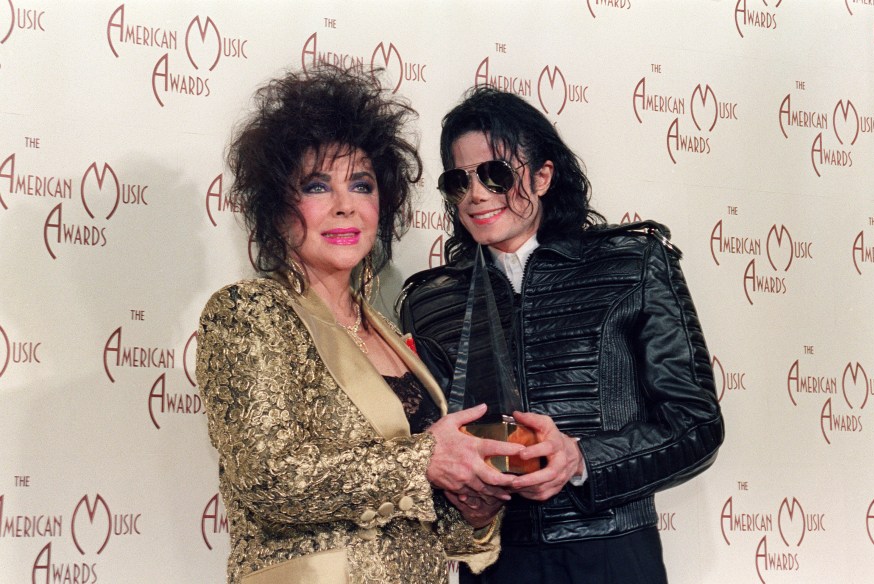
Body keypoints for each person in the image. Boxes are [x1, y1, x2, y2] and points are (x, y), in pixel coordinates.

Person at [195, 67, 524, 584]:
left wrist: (475, 507)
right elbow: (269, 479)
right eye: (317, 185)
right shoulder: (249, 312)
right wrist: (427, 460)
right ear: (277, 207)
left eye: (362, 185)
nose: (345, 204)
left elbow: (423, 513)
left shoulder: (387, 330)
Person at [399, 86, 725, 584]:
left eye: (496, 173)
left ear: (543, 175)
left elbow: (695, 425)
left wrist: (580, 459)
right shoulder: (430, 301)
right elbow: (426, 444)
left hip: (613, 554)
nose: (477, 194)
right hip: (493, 562)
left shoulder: (633, 265)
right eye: (458, 181)